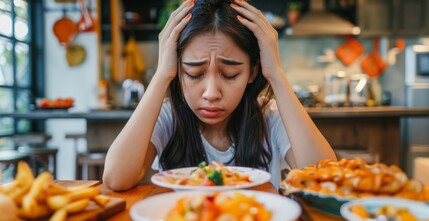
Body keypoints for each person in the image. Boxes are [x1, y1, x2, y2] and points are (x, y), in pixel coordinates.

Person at [103, 0, 336, 191]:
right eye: (194, 74)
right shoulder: (168, 118)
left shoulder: (269, 117)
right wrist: (162, 74)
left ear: (252, 71)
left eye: (230, 74)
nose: (211, 93)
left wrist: (275, 73)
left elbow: (325, 178)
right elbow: (115, 178)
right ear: (178, 70)